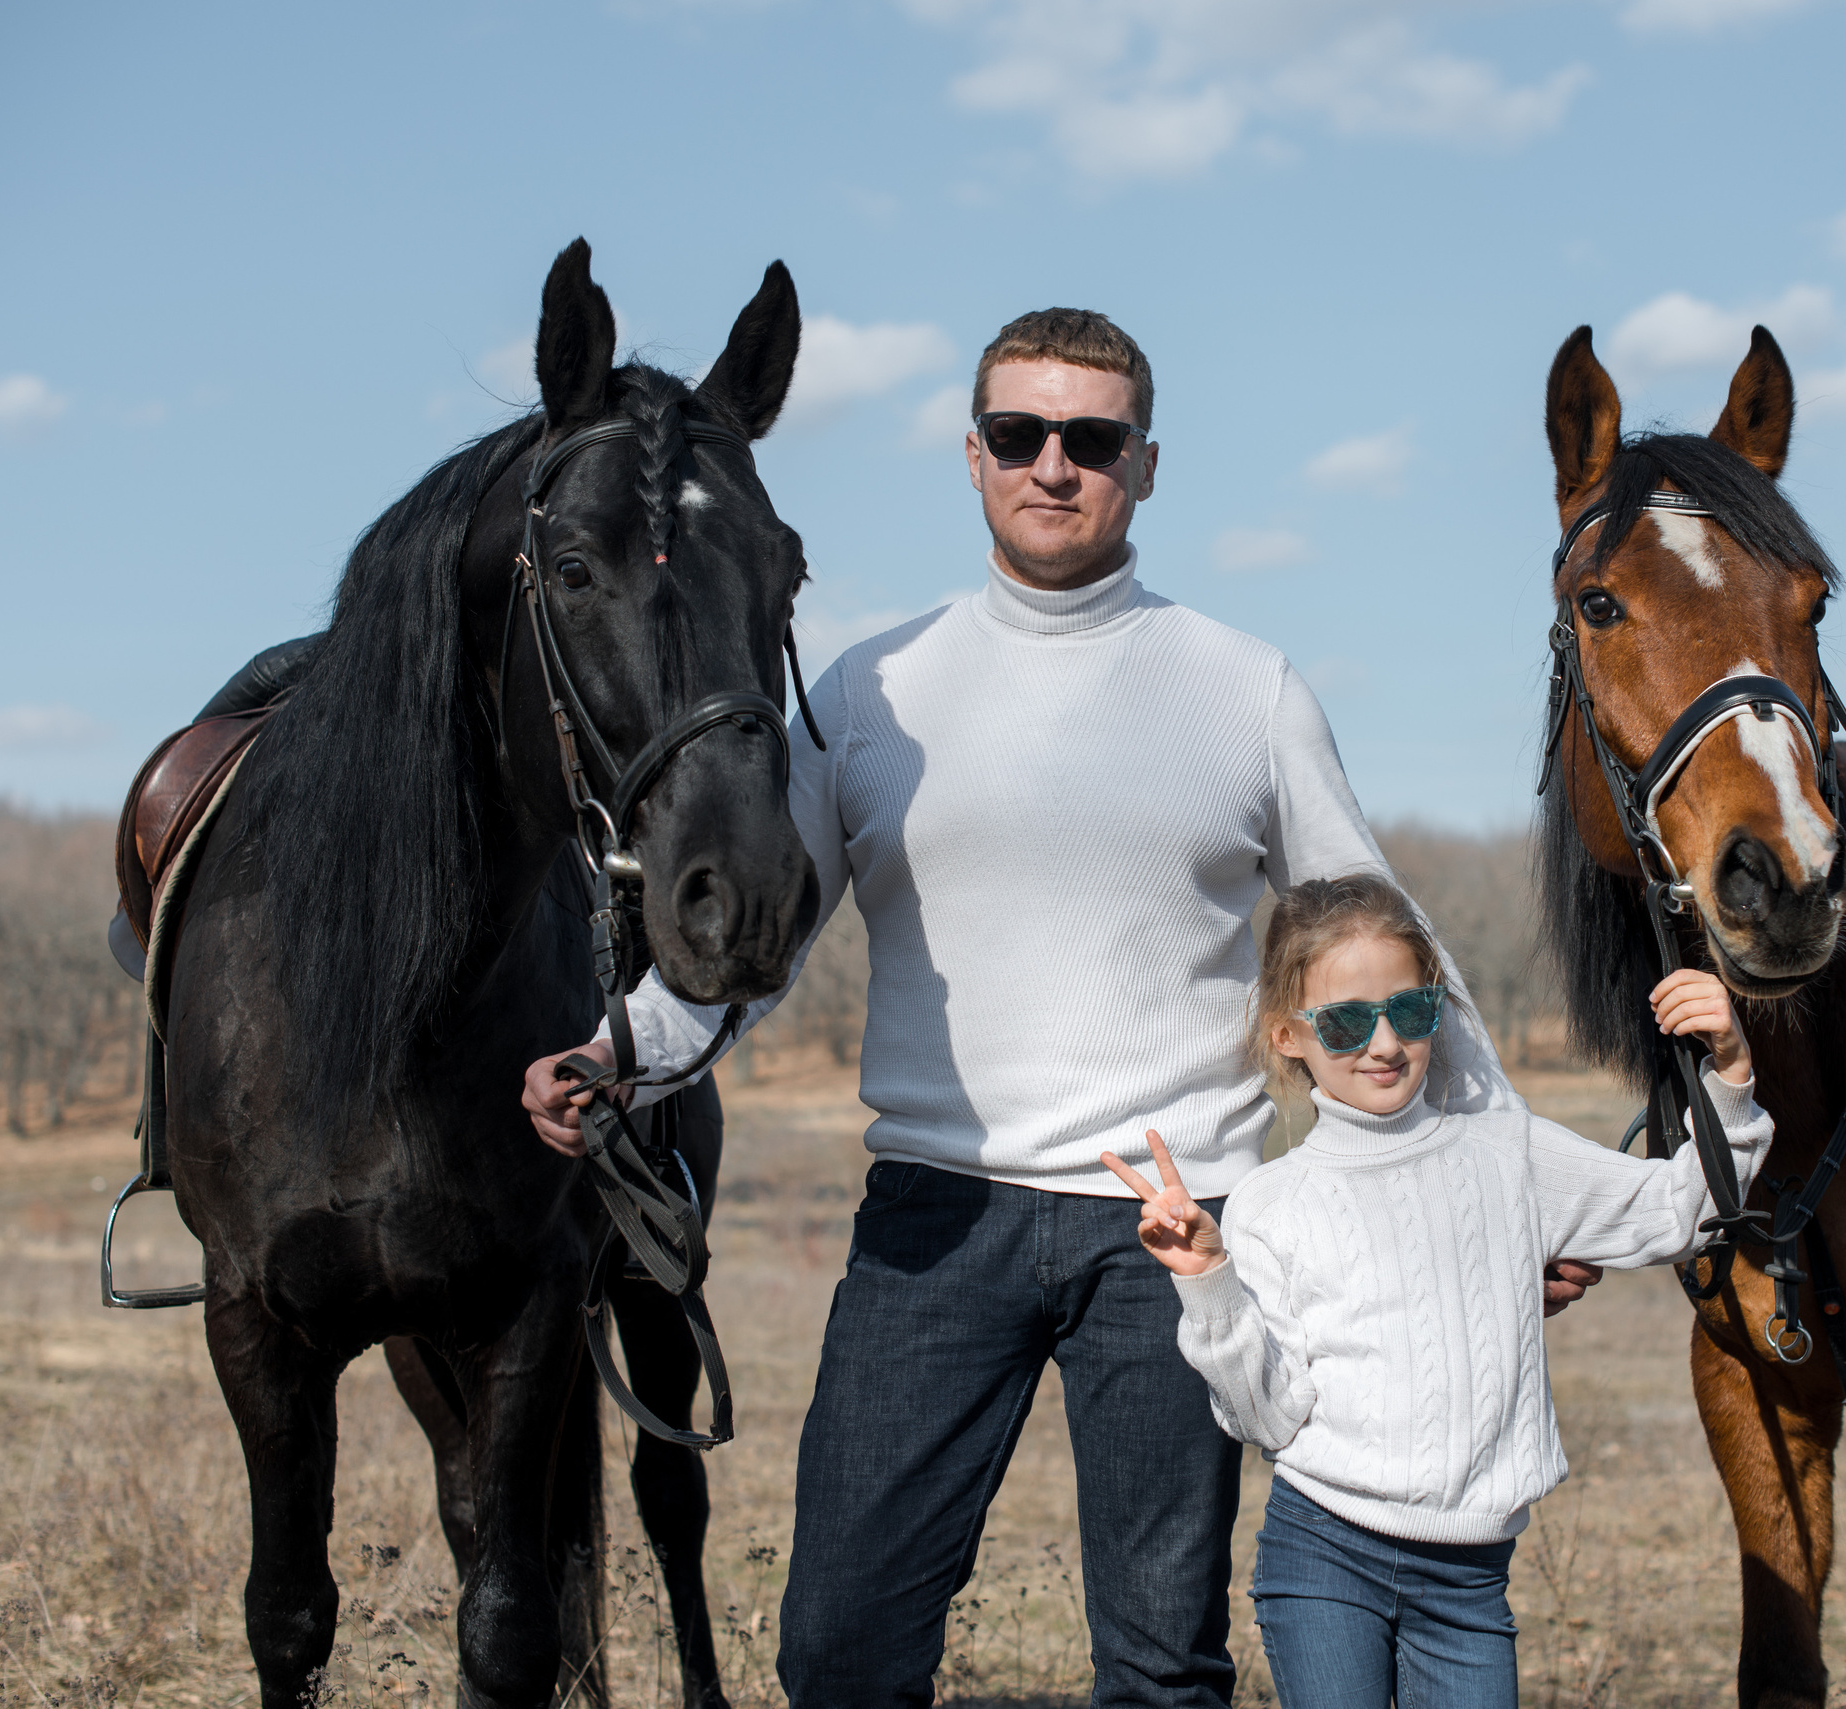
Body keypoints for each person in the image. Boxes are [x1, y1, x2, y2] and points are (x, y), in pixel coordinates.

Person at [519, 307, 1599, 1707]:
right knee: (837, 1650)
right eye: (1021, 434)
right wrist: (628, 1053)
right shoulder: (869, 692)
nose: (1054, 465)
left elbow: (1394, 959)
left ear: (1145, 465)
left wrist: (1513, 1195)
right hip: (934, 1216)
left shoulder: (1246, 688)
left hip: (1177, 1224)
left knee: (1159, 1668)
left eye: (1092, 440)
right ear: (972, 455)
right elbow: (757, 940)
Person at [1097, 873, 1770, 1709]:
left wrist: (1732, 1073)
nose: (1383, 1042)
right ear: (1289, 1035)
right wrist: (1208, 1283)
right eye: (1345, 1021)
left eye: (1409, 1011)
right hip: (1325, 1555)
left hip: (1469, 1583)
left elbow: (1680, 1212)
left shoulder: (1510, 1154)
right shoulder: (1270, 1203)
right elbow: (1265, 1416)